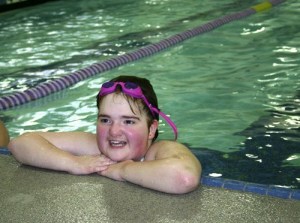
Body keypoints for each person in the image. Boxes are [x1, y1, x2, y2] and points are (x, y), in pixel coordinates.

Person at [8, 75, 201, 194]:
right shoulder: (94, 146)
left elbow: (184, 177)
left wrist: (121, 170)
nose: (114, 131)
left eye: (128, 121)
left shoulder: (161, 150)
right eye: (105, 120)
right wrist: (73, 163)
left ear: (151, 129)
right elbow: (20, 143)